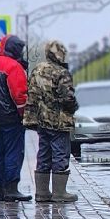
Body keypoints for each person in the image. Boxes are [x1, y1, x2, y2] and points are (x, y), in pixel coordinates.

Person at [26, 40, 80, 204]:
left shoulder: (37, 70)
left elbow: (31, 94)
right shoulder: (61, 73)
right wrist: (74, 107)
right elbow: (67, 98)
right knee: (60, 153)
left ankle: (42, 193)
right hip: (58, 121)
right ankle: (59, 193)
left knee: (44, 153)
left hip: (41, 120)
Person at [0, 33, 31, 202]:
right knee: (13, 152)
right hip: (11, 118)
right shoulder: (13, 67)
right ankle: (11, 188)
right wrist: (24, 115)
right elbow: (20, 95)